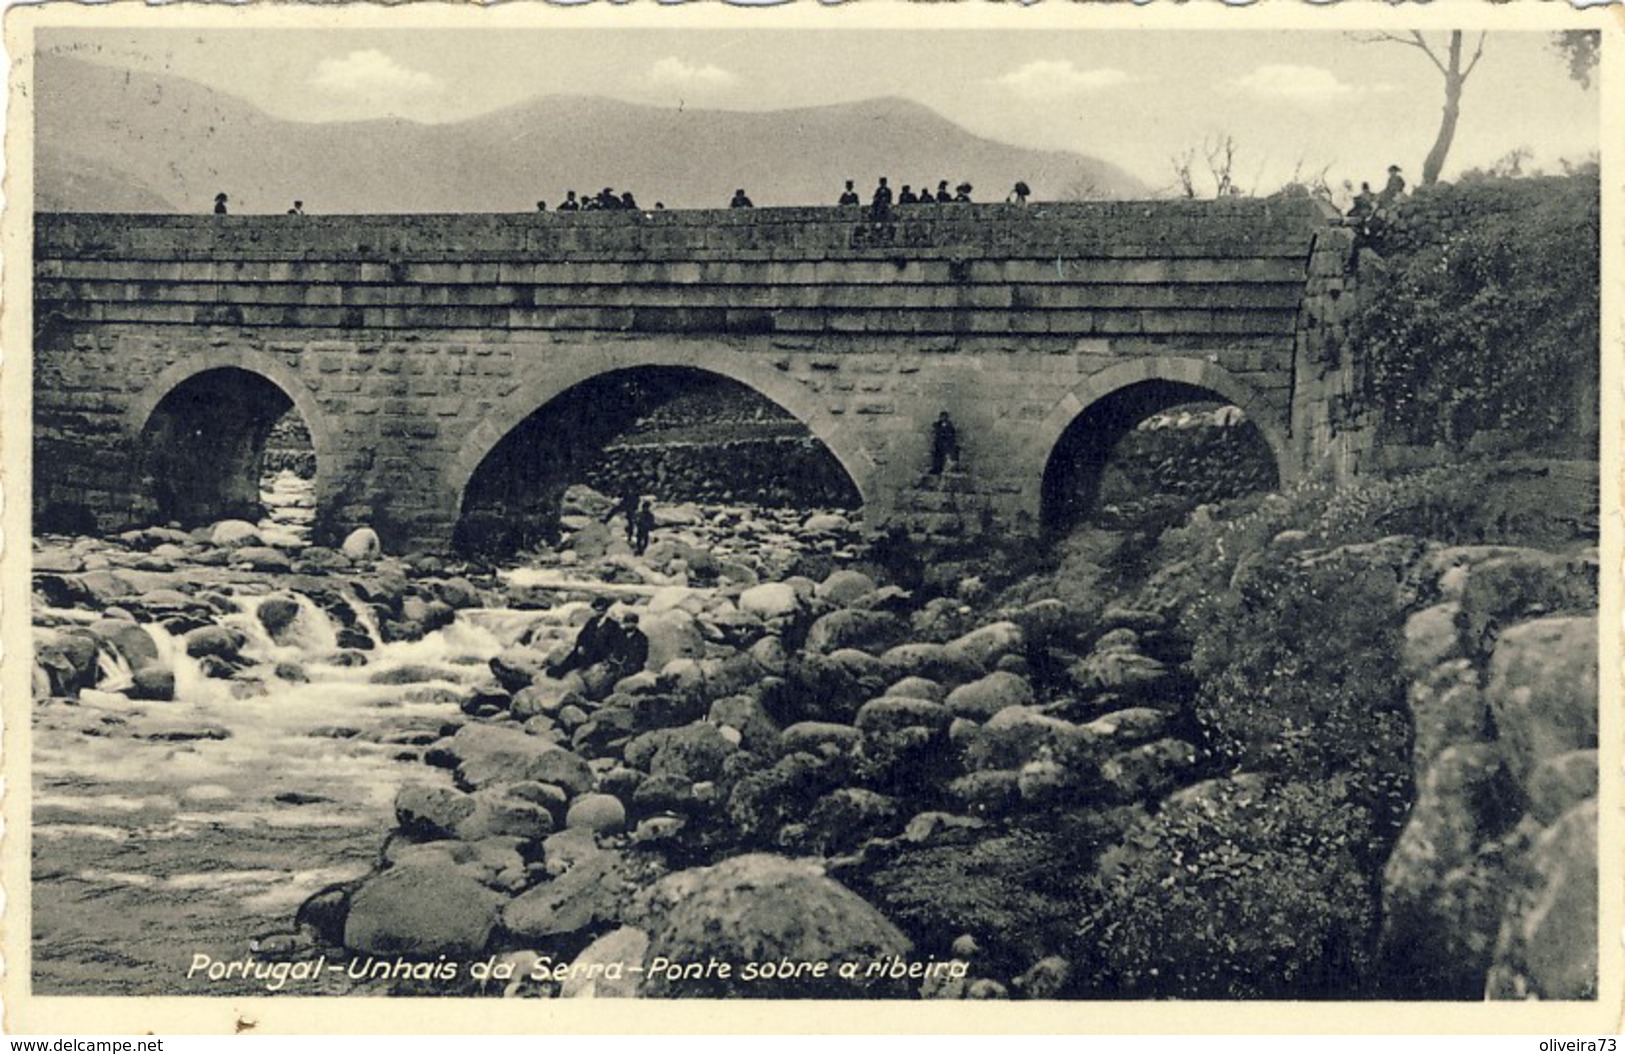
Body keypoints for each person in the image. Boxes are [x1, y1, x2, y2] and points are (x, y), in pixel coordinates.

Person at [546, 596, 616, 677]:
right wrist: (580, 645)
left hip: (601, 651)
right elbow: (582, 635)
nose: (598, 612)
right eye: (596, 610)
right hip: (588, 647)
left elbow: (615, 642)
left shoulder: (612, 625)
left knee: (583, 658)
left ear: (605, 610)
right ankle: (561, 670)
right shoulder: (592, 621)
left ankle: (563, 671)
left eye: (600, 610)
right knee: (574, 654)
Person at [930, 410, 960, 474]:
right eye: (942, 417)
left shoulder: (949, 426)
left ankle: (940, 468)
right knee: (937, 456)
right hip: (938, 443)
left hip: (944, 444)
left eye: (944, 417)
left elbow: (951, 435)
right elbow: (935, 430)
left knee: (942, 456)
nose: (943, 418)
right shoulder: (938, 424)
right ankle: (936, 468)